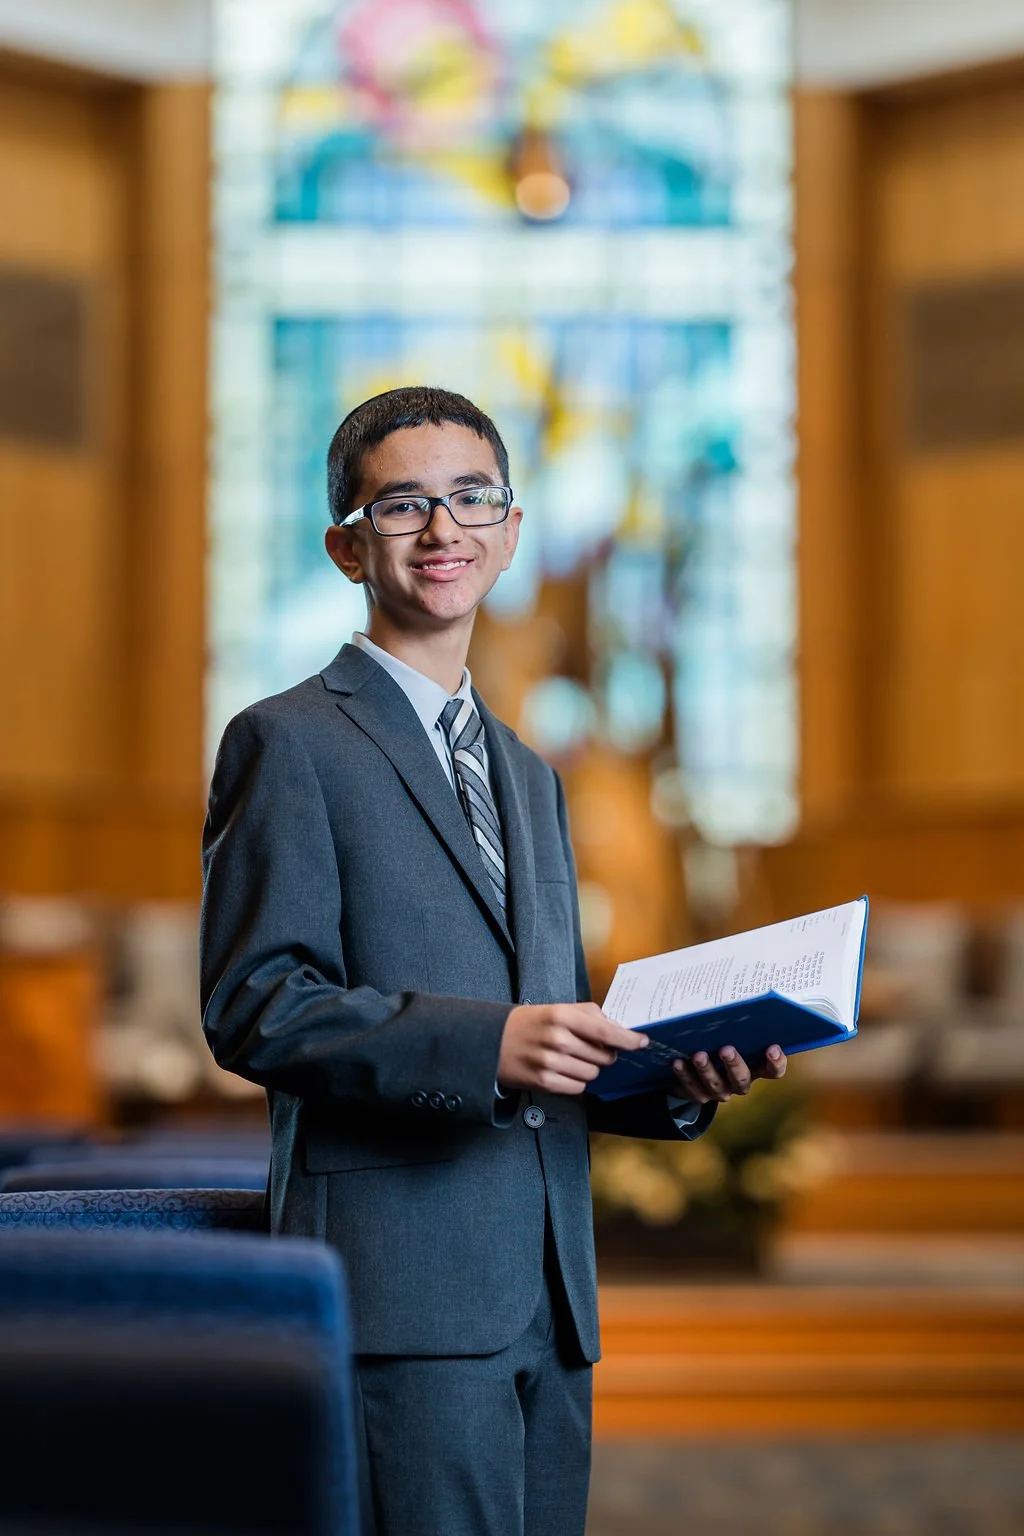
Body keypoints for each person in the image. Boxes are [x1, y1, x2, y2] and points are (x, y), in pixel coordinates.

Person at [200, 386, 787, 1536]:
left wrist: (671, 1081)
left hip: (549, 1291)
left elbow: (546, 1035)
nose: (443, 529)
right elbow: (256, 1005)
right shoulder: (288, 740)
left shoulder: (529, 773)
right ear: (344, 545)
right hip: (403, 1290)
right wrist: (489, 1044)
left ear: (511, 531)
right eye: (404, 503)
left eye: (473, 498)